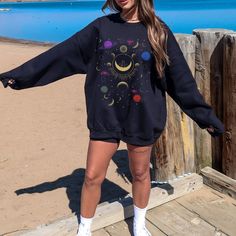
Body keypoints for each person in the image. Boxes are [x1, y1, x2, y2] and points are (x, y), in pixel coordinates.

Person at [0, 0, 225, 236]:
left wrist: (205, 117)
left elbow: (181, 81)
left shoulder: (159, 31)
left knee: (140, 173)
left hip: (142, 117)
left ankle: (139, 225)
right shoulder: (100, 28)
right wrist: (21, 76)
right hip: (106, 115)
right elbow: (61, 55)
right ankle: (84, 229)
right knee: (91, 176)